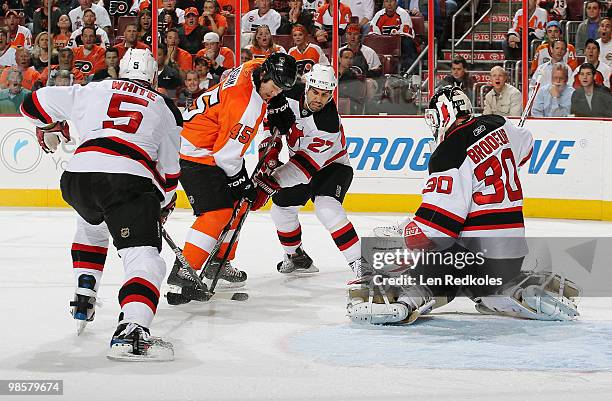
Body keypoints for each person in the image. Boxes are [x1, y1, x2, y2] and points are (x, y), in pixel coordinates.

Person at [347, 85, 580, 325]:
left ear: (444, 114)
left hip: (471, 260)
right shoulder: (499, 123)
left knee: (414, 255)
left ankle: (406, 299)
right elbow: (527, 146)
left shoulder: (448, 153)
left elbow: (437, 229)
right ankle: (510, 291)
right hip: (512, 255)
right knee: (480, 280)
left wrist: (403, 235)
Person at [19, 48, 182, 361]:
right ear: (153, 77)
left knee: (92, 225)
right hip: (127, 179)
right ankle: (132, 331)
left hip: (78, 177)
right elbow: (170, 172)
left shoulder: (92, 88)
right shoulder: (165, 108)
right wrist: (161, 203)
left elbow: (31, 105)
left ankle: (84, 294)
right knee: (144, 258)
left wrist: (49, 126)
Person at [167, 53, 298, 304]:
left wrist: (278, 102)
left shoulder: (254, 68)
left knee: (238, 208)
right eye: (274, 87)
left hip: (206, 144)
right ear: (266, 76)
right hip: (196, 152)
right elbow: (226, 156)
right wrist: (241, 183)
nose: (275, 92)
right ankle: (184, 272)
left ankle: (220, 261)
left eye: (281, 89)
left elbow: (261, 70)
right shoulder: (245, 106)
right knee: (218, 213)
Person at [251, 64, 364, 278]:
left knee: (326, 207)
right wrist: (270, 151)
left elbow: (305, 168)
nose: (319, 99)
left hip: (332, 167)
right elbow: (269, 124)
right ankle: (296, 257)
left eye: (325, 94)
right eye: (315, 92)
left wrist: (270, 183)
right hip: (299, 163)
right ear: (307, 87)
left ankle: (361, 264)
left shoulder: (328, 122)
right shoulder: (286, 95)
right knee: (281, 208)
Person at [369, 0, 416, 71]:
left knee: (407, 42)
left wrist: (391, 39)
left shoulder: (403, 13)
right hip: (383, 43)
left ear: (396, 2)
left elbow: (405, 32)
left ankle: (408, 71)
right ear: (384, 3)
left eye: (391, 1)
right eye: (386, 1)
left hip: (400, 42)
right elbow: (374, 32)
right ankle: (373, 70)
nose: (389, 4)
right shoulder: (379, 15)